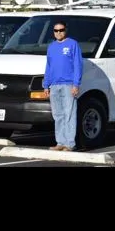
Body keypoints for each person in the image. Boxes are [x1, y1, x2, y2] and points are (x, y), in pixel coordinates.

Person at [43, 20, 83, 151]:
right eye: (56, 31)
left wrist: (76, 84)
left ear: (65, 30)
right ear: (53, 32)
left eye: (61, 30)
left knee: (69, 114)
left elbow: (78, 65)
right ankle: (60, 142)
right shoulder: (51, 47)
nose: (59, 33)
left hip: (68, 84)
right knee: (58, 115)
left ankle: (70, 144)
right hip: (54, 85)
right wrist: (46, 85)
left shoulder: (73, 44)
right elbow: (48, 67)